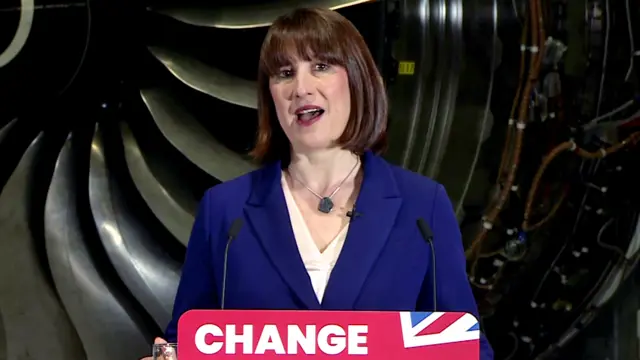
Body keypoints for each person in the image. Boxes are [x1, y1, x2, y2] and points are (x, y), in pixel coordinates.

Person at [142, 7, 493, 360]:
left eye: (321, 67)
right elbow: (189, 342)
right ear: (270, 96)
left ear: (357, 80)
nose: (301, 88)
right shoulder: (224, 211)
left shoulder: (423, 206)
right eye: (284, 73)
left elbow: (467, 347)